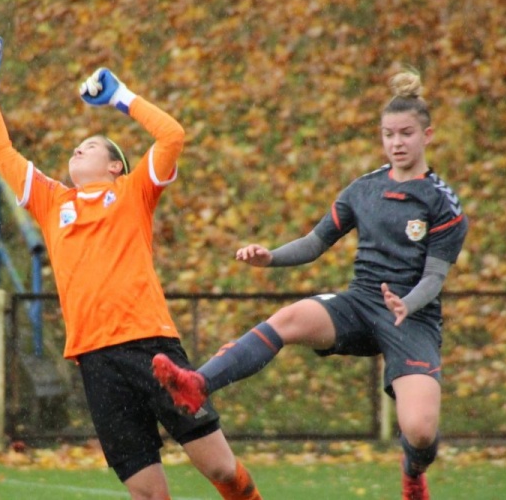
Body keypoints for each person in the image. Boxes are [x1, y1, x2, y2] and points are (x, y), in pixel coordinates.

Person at [152, 70, 469, 500]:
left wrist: (407, 304)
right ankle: (197, 384)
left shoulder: (441, 203)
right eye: (388, 134)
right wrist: (271, 257)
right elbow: (316, 241)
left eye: (407, 133)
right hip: (360, 303)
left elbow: (434, 277)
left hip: (412, 319)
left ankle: (413, 472)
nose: (397, 143)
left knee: (419, 431)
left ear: (427, 135)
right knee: (290, 318)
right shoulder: (363, 189)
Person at [0, 36, 262, 500]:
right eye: (77, 146)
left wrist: (122, 98)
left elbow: (172, 136)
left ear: (114, 167)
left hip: (152, 348)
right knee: (149, 494)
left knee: (223, 470)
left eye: (91, 145)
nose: (78, 150)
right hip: (95, 359)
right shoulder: (54, 202)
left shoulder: (132, 193)